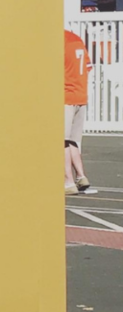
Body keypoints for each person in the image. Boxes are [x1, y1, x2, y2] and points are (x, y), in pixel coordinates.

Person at [64, 28, 96, 195]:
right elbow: (88, 67)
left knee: (61, 141)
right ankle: (81, 176)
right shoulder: (75, 39)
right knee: (73, 140)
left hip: (65, 96)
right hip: (80, 95)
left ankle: (68, 181)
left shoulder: (58, 41)